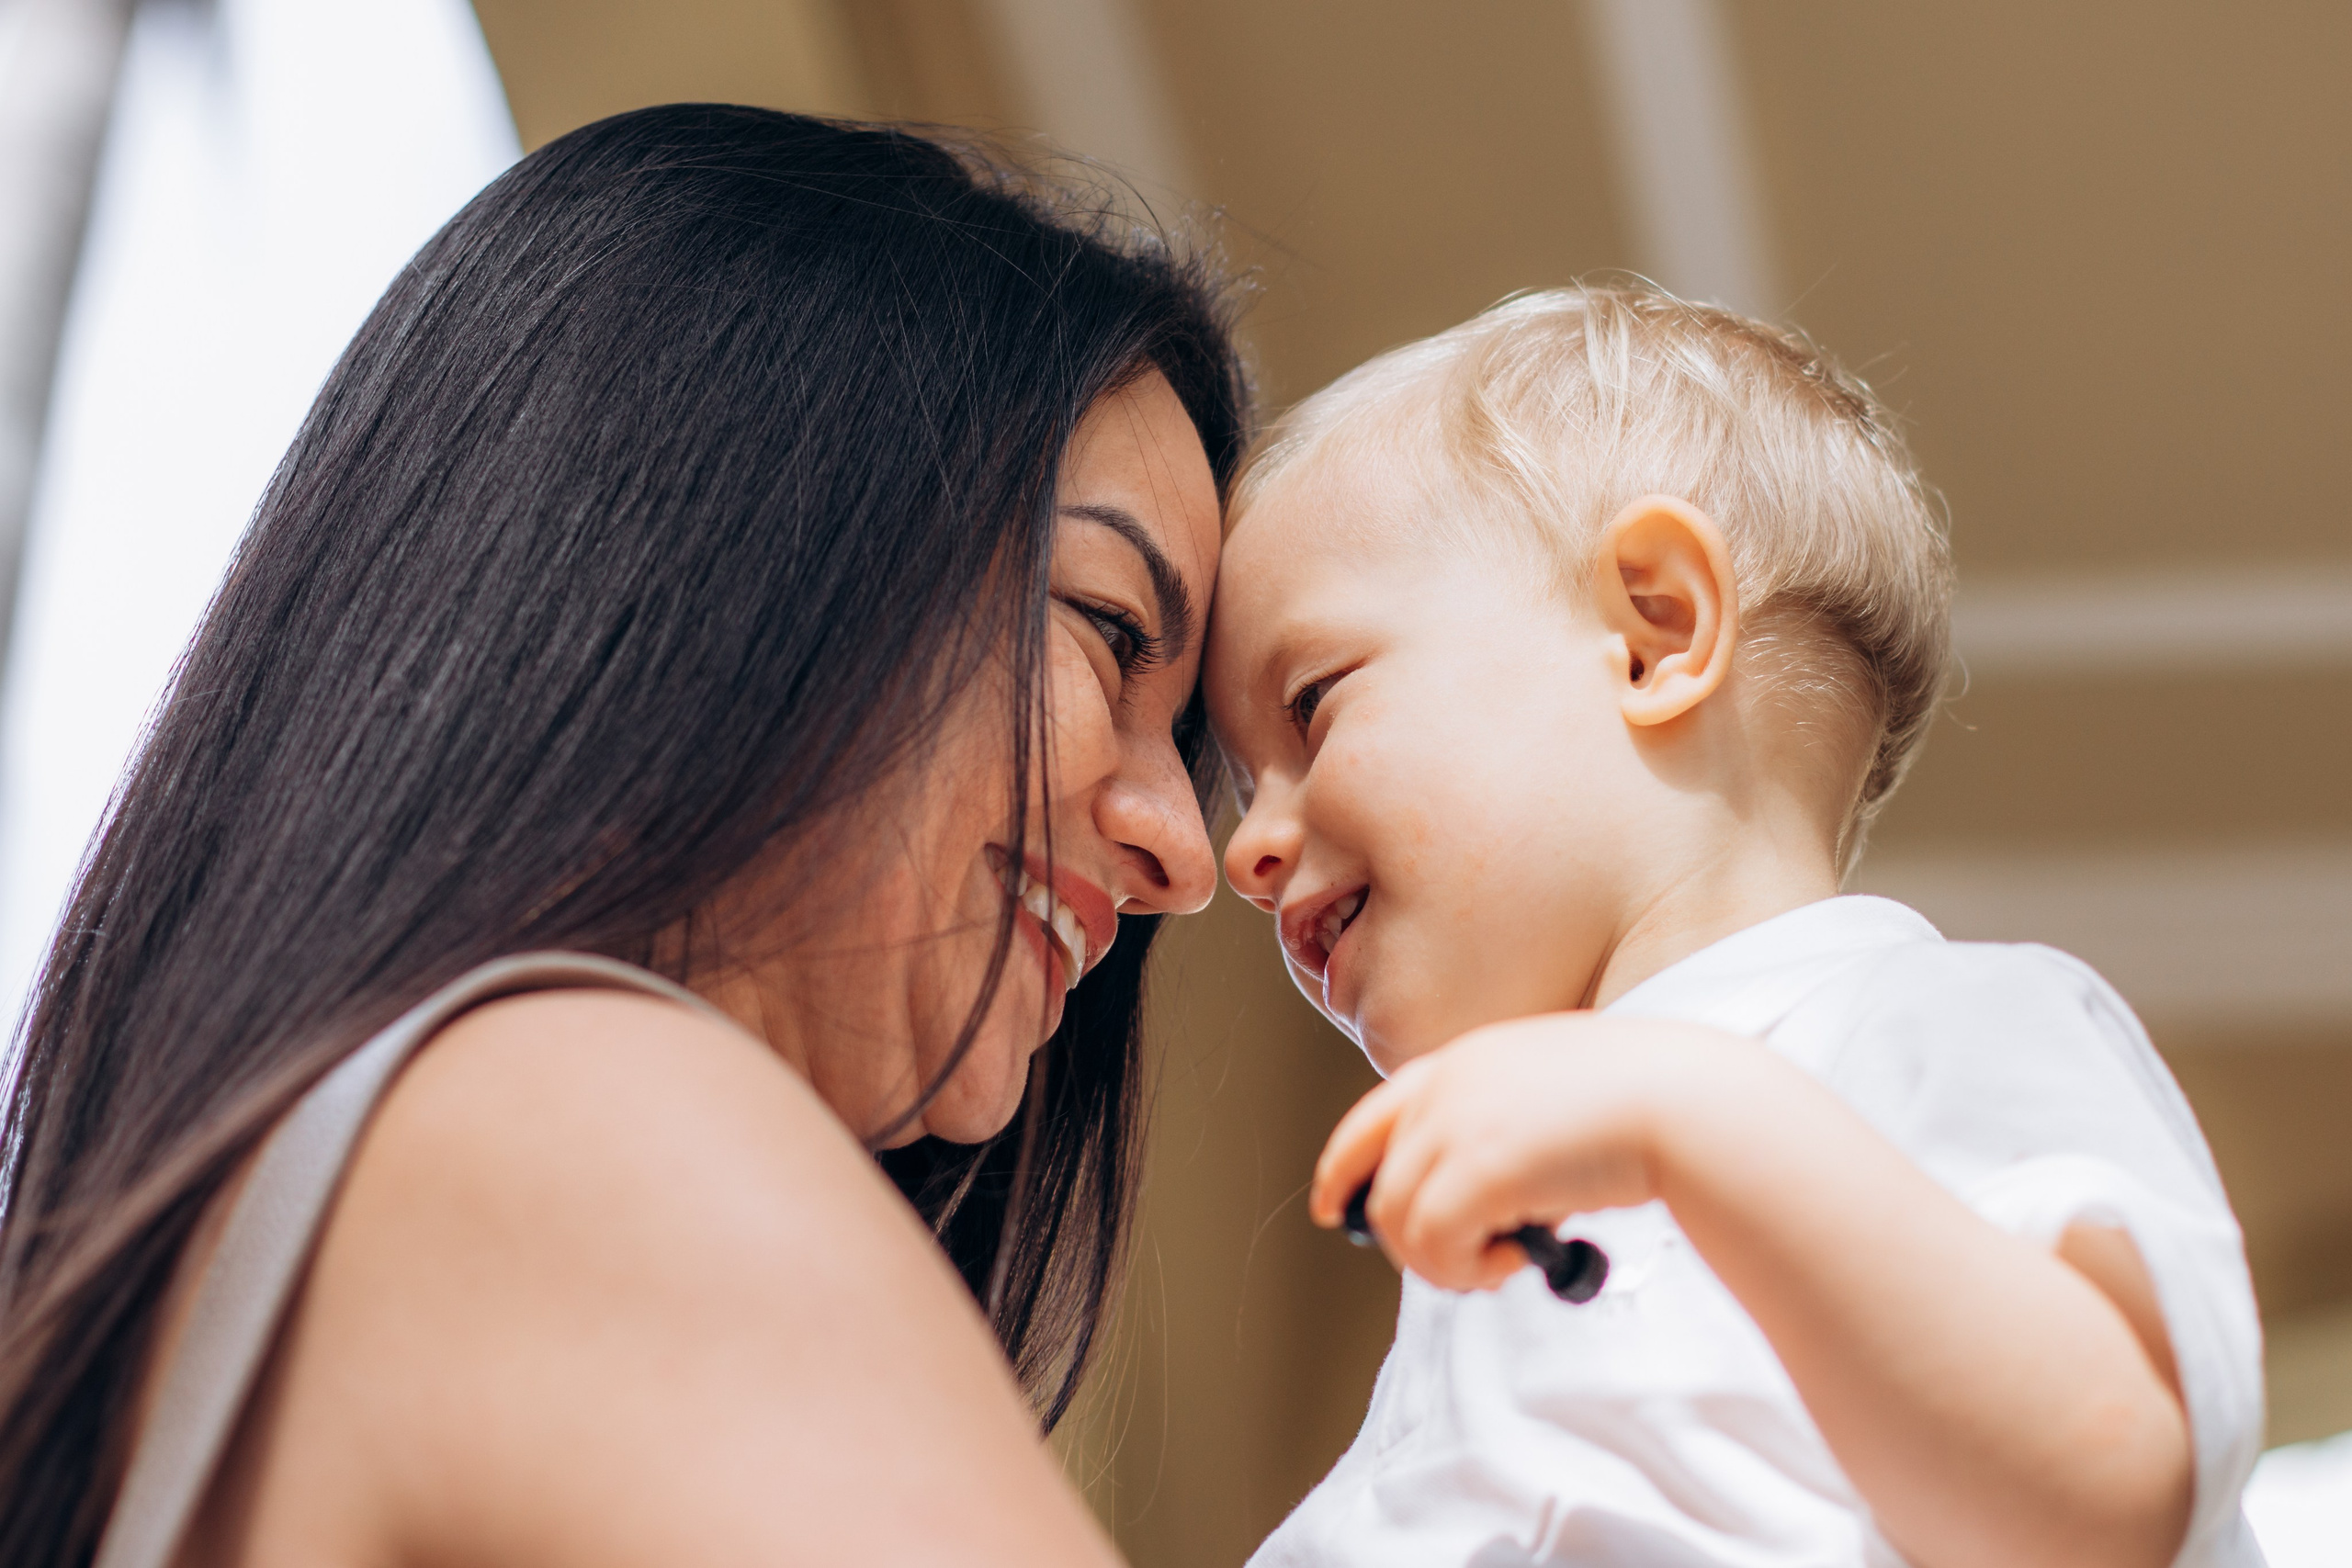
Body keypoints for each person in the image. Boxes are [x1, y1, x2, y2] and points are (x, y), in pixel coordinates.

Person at [0, 106, 1248, 1567]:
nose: (1187, 851)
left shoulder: (299, 1223)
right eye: (1109, 630)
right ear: (759, 539)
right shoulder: (589, 1120)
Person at [1208, 287, 2263, 1568]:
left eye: (1311, 707)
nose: (1247, 851)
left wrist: (1686, 1121)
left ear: (1656, 631)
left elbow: (2111, 1485)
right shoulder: (1483, 1270)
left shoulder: (1937, 1027)